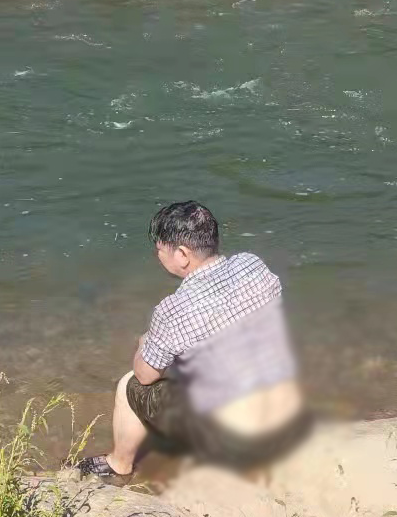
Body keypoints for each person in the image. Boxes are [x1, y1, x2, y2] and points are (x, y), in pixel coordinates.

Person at [76, 202, 309, 479]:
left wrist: (144, 343)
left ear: (182, 255)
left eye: (160, 249)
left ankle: (119, 465)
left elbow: (145, 375)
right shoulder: (252, 264)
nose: (157, 254)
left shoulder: (173, 310)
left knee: (130, 385)